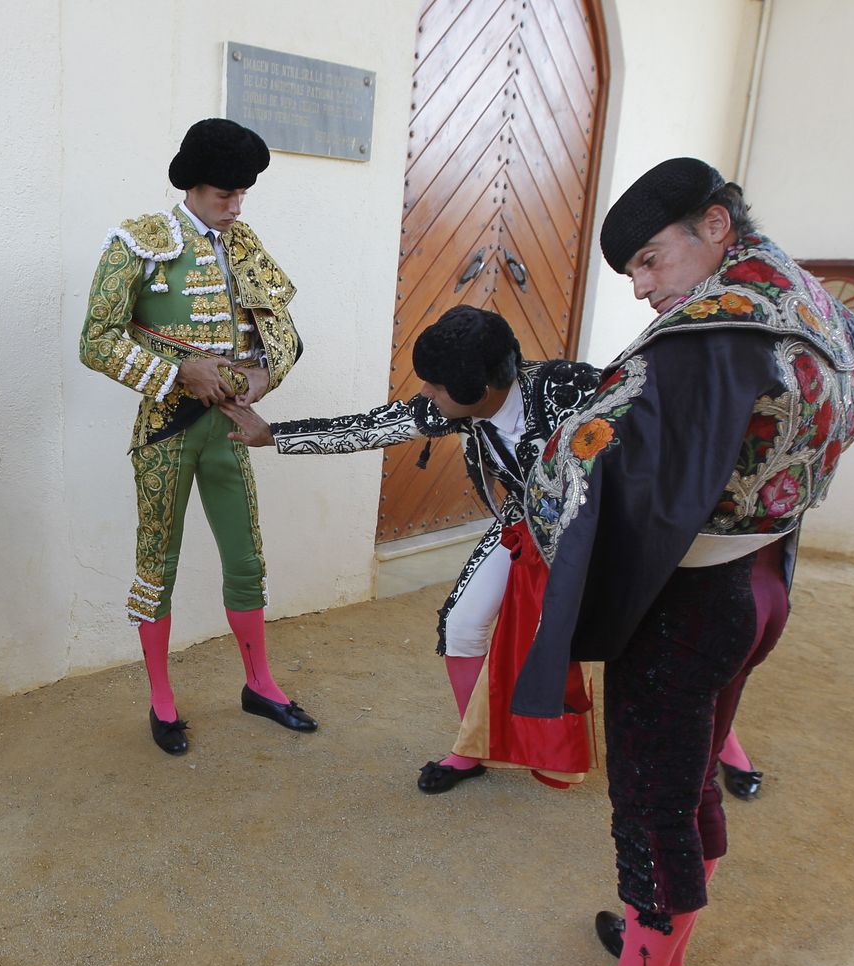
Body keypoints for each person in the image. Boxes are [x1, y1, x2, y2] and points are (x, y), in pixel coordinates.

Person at [510, 158, 854, 966]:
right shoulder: (804, 295)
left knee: (651, 796)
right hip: (765, 575)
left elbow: (596, 463)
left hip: (694, 593)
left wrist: (545, 460)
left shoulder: (710, 334)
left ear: (714, 225)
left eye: (648, 260)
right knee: (693, 768)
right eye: (631, 271)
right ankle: (660, 952)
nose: (642, 289)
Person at [223, 305, 600, 791]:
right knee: (462, 624)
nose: (425, 394)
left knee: (627, 638)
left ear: (479, 391)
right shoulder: (463, 400)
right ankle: (473, 747)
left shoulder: (572, 389)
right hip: (522, 526)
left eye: (436, 386)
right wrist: (275, 435)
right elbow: (372, 426)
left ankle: (717, 751)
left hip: (592, 538)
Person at [79, 118, 313, 755]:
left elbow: (284, 332)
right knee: (158, 561)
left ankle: (259, 683)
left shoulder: (246, 244)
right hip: (167, 428)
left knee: (246, 556)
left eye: (242, 195)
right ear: (191, 187)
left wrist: (263, 378)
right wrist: (177, 371)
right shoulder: (138, 241)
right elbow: (95, 341)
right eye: (222, 195)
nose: (234, 207)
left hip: (230, 429)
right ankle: (161, 698)